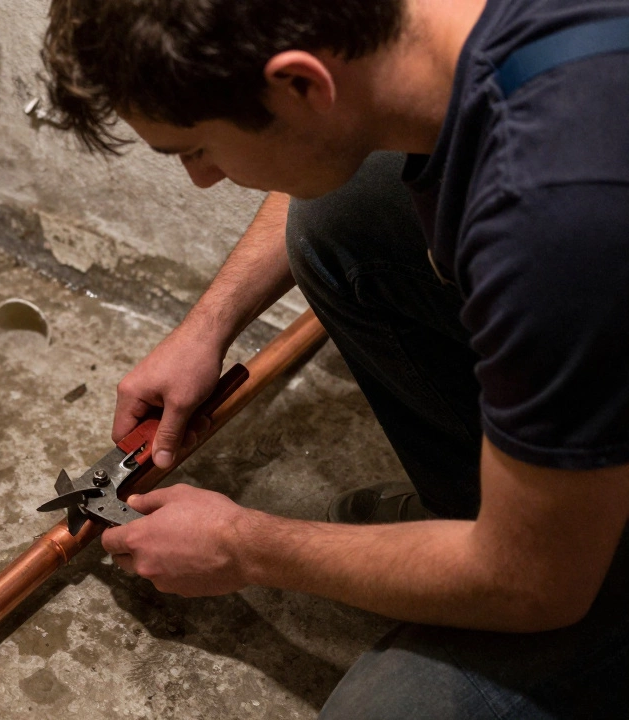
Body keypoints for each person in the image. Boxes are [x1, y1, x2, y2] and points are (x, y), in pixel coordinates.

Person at [42, 0, 629, 716]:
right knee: (333, 220)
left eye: (193, 147)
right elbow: (332, 145)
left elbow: (538, 584)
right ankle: (499, 509)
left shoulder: (552, 222)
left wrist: (246, 547)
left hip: (562, 553)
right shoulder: (422, 33)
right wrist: (209, 323)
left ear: (300, 86)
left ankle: (530, 544)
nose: (201, 178)